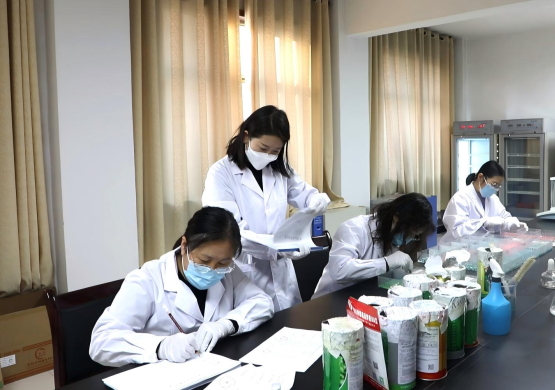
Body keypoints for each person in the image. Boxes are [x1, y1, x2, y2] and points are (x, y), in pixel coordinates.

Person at [89, 207, 274, 367]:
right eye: (205, 260)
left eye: (223, 262)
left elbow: (262, 302)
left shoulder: (228, 272)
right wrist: (161, 347)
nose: (213, 269)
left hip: (212, 369)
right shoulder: (147, 280)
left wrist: (225, 325)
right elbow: (101, 341)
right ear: (185, 246)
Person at [201, 106, 331, 311]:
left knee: (289, 321)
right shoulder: (221, 173)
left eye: (275, 151)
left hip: (282, 272)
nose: (268, 155)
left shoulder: (279, 169)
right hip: (244, 269)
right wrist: (278, 247)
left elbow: (303, 193)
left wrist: (316, 200)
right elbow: (228, 232)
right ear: (246, 136)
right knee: (253, 324)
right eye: (263, 148)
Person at [312, 193, 435, 298]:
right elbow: (339, 271)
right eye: (410, 233)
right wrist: (386, 263)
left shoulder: (392, 237)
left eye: (415, 235)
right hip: (332, 298)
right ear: (396, 218)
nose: (409, 239)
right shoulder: (353, 229)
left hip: (363, 296)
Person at [441, 160, 528, 243]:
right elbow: (457, 230)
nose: (495, 189)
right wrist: (484, 223)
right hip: (457, 248)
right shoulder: (460, 198)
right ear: (481, 177)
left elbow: (504, 217)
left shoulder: (493, 199)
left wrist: (511, 224)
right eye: (494, 184)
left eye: (498, 186)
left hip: (482, 247)